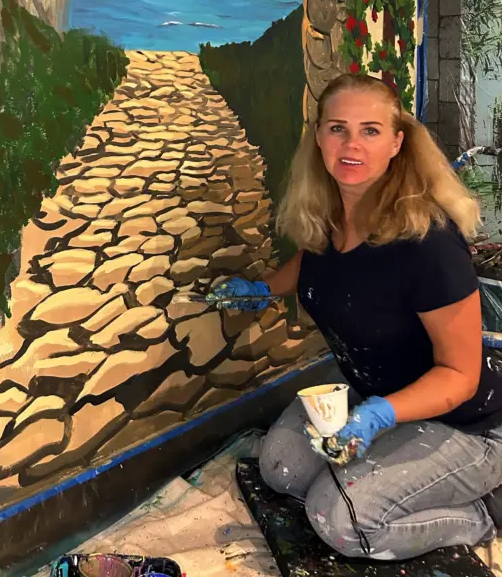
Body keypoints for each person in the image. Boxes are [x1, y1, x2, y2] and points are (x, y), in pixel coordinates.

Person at [208, 73, 502, 561]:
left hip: (467, 424)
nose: (351, 144)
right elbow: (316, 259)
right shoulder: (329, 217)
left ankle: (482, 514)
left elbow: (460, 375)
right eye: (337, 128)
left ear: (396, 142)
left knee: (340, 519)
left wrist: (379, 416)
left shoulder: (428, 244)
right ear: (318, 137)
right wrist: (263, 289)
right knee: (281, 469)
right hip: (377, 398)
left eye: (370, 130)